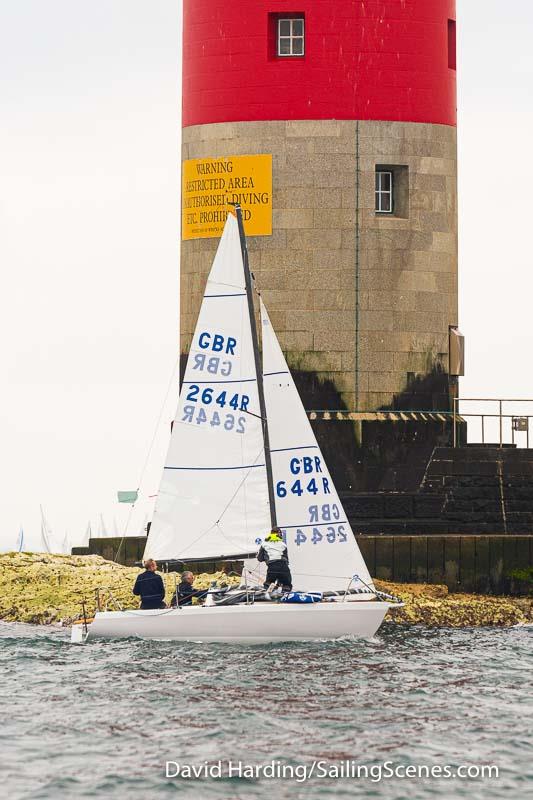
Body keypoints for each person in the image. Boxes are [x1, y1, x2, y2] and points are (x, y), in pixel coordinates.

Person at [257, 527, 292, 592]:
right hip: (284, 566)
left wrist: (265, 558)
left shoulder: (264, 544)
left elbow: (260, 558)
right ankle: (285, 592)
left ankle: (268, 594)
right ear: (280, 534)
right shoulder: (283, 545)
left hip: (272, 567)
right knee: (286, 584)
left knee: (269, 583)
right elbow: (286, 559)